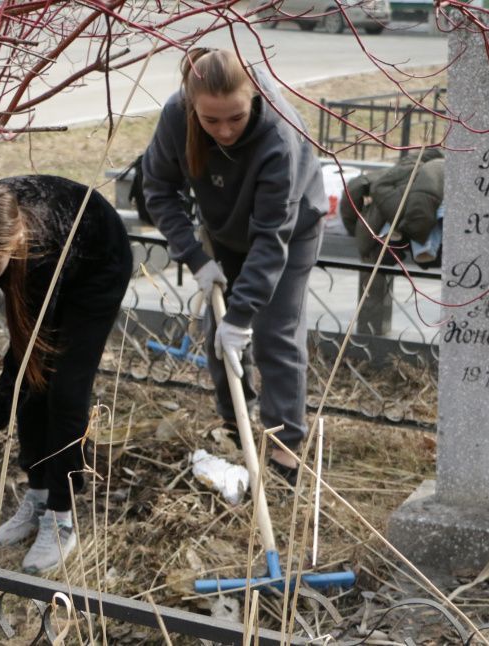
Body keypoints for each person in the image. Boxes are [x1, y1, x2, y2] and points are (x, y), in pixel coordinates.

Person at [0, 175, 132, 573]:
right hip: (51, 250)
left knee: (64, 391)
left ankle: (61, 516)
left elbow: (24, 363)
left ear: (12, 247)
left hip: (97, 265)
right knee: (35, 394)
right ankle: (37, 497)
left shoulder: (37, 250)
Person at [141, 48, 326, 483]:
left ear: (254, 98)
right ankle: (237, 430)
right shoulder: (176, 116)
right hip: (223, 232)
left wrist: (242, 315)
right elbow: (158, 189)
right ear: (191, 104)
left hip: (289, 232)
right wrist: (196, 258)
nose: (224, 131)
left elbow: (271, 238)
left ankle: (284, 453)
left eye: (236, 119)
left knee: (274, 335)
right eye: (211, 121)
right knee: (218, 341)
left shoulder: (280, 136)